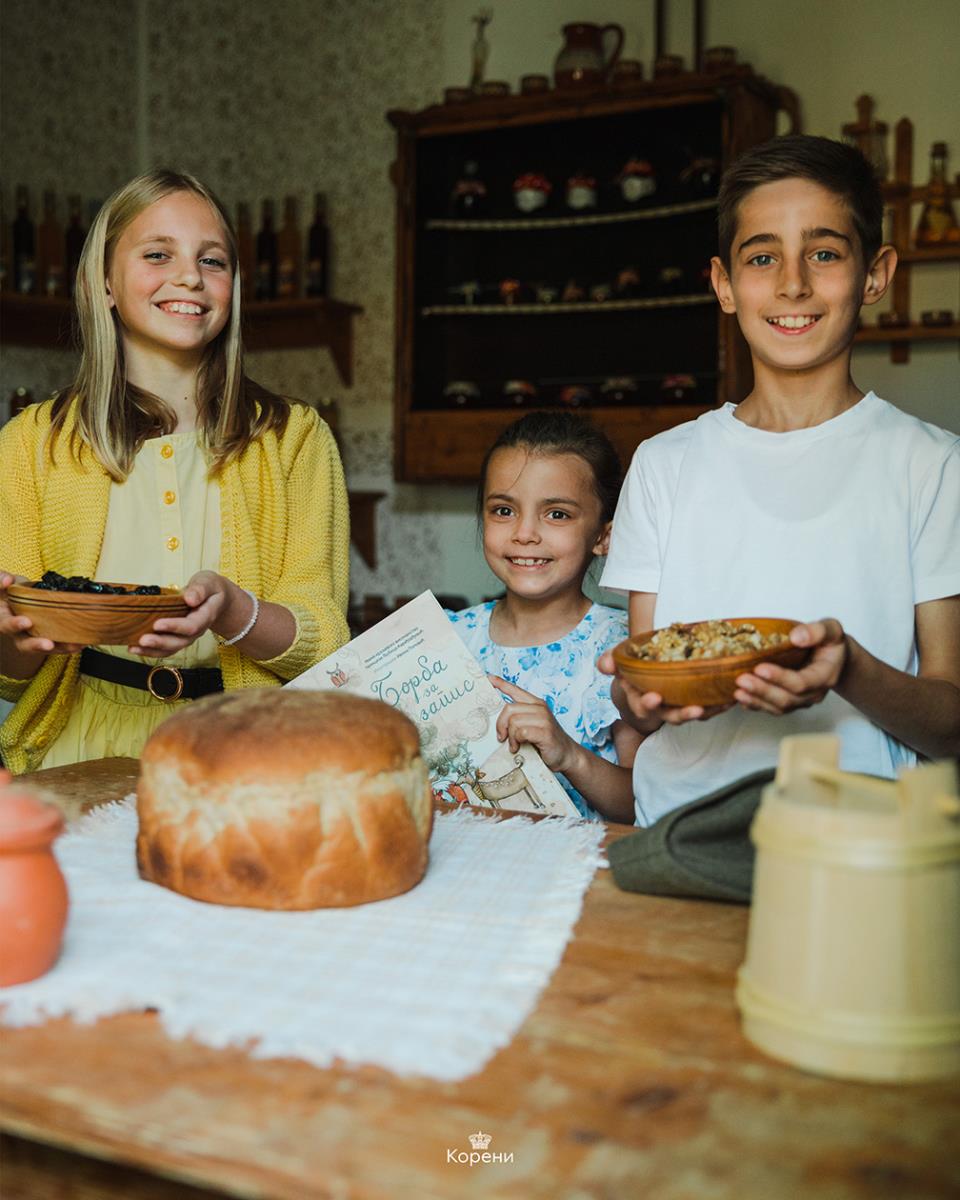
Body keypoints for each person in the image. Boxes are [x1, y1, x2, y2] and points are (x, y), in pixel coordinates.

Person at [599, 134, 960, 826]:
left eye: (824, 254)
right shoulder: (665, 464)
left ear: (875, 275)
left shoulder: (932, 465)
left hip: (858, 836)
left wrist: (846, 666)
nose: (793, 284)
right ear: (724, 285)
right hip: (679, 828)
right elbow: (645, 680)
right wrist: (636, 696)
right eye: (762, 257)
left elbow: (949, 726)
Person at [0, 169, 350, 774]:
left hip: (244, 752)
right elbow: (12, 677)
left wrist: (233, 612)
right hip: (76, 747)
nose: (190, 275)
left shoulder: (294, 439)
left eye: (213, 261)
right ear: (105, 282)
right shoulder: (32, 443)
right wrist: (15, 634)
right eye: (158, 254)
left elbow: (327, 645)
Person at [447, 411, 641, 821]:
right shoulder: (447, 639)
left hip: (575, 876)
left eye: (557, 514)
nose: (525, 533)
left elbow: (641, 804)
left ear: (603, 537)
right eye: (503, 510)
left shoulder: (621, 648)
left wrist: (570, 755)